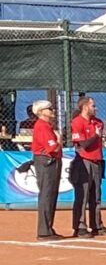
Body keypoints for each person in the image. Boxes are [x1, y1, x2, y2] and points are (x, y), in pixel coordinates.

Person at [70, 96, 104, 237]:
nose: (95, 108)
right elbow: (83, 144)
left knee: (96, 195)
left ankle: (96, 225)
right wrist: (96, 135)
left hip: (97, 160)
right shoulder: (77, 122)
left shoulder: (98, 122)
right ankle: (80, 226)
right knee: (82, 195)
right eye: (93, 106)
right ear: (85, 107)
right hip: (83, 161)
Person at [31, 99, 62, 239]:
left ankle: (48, 228)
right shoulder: (42, 126)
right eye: (49, 109)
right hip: (46, 161)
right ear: (41, 112)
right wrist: (59, 140)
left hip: (50, 161)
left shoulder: (46, 125)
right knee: (47, 194)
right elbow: (53, 147)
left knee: (51, 194)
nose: (52, 110)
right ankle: (44, 231)